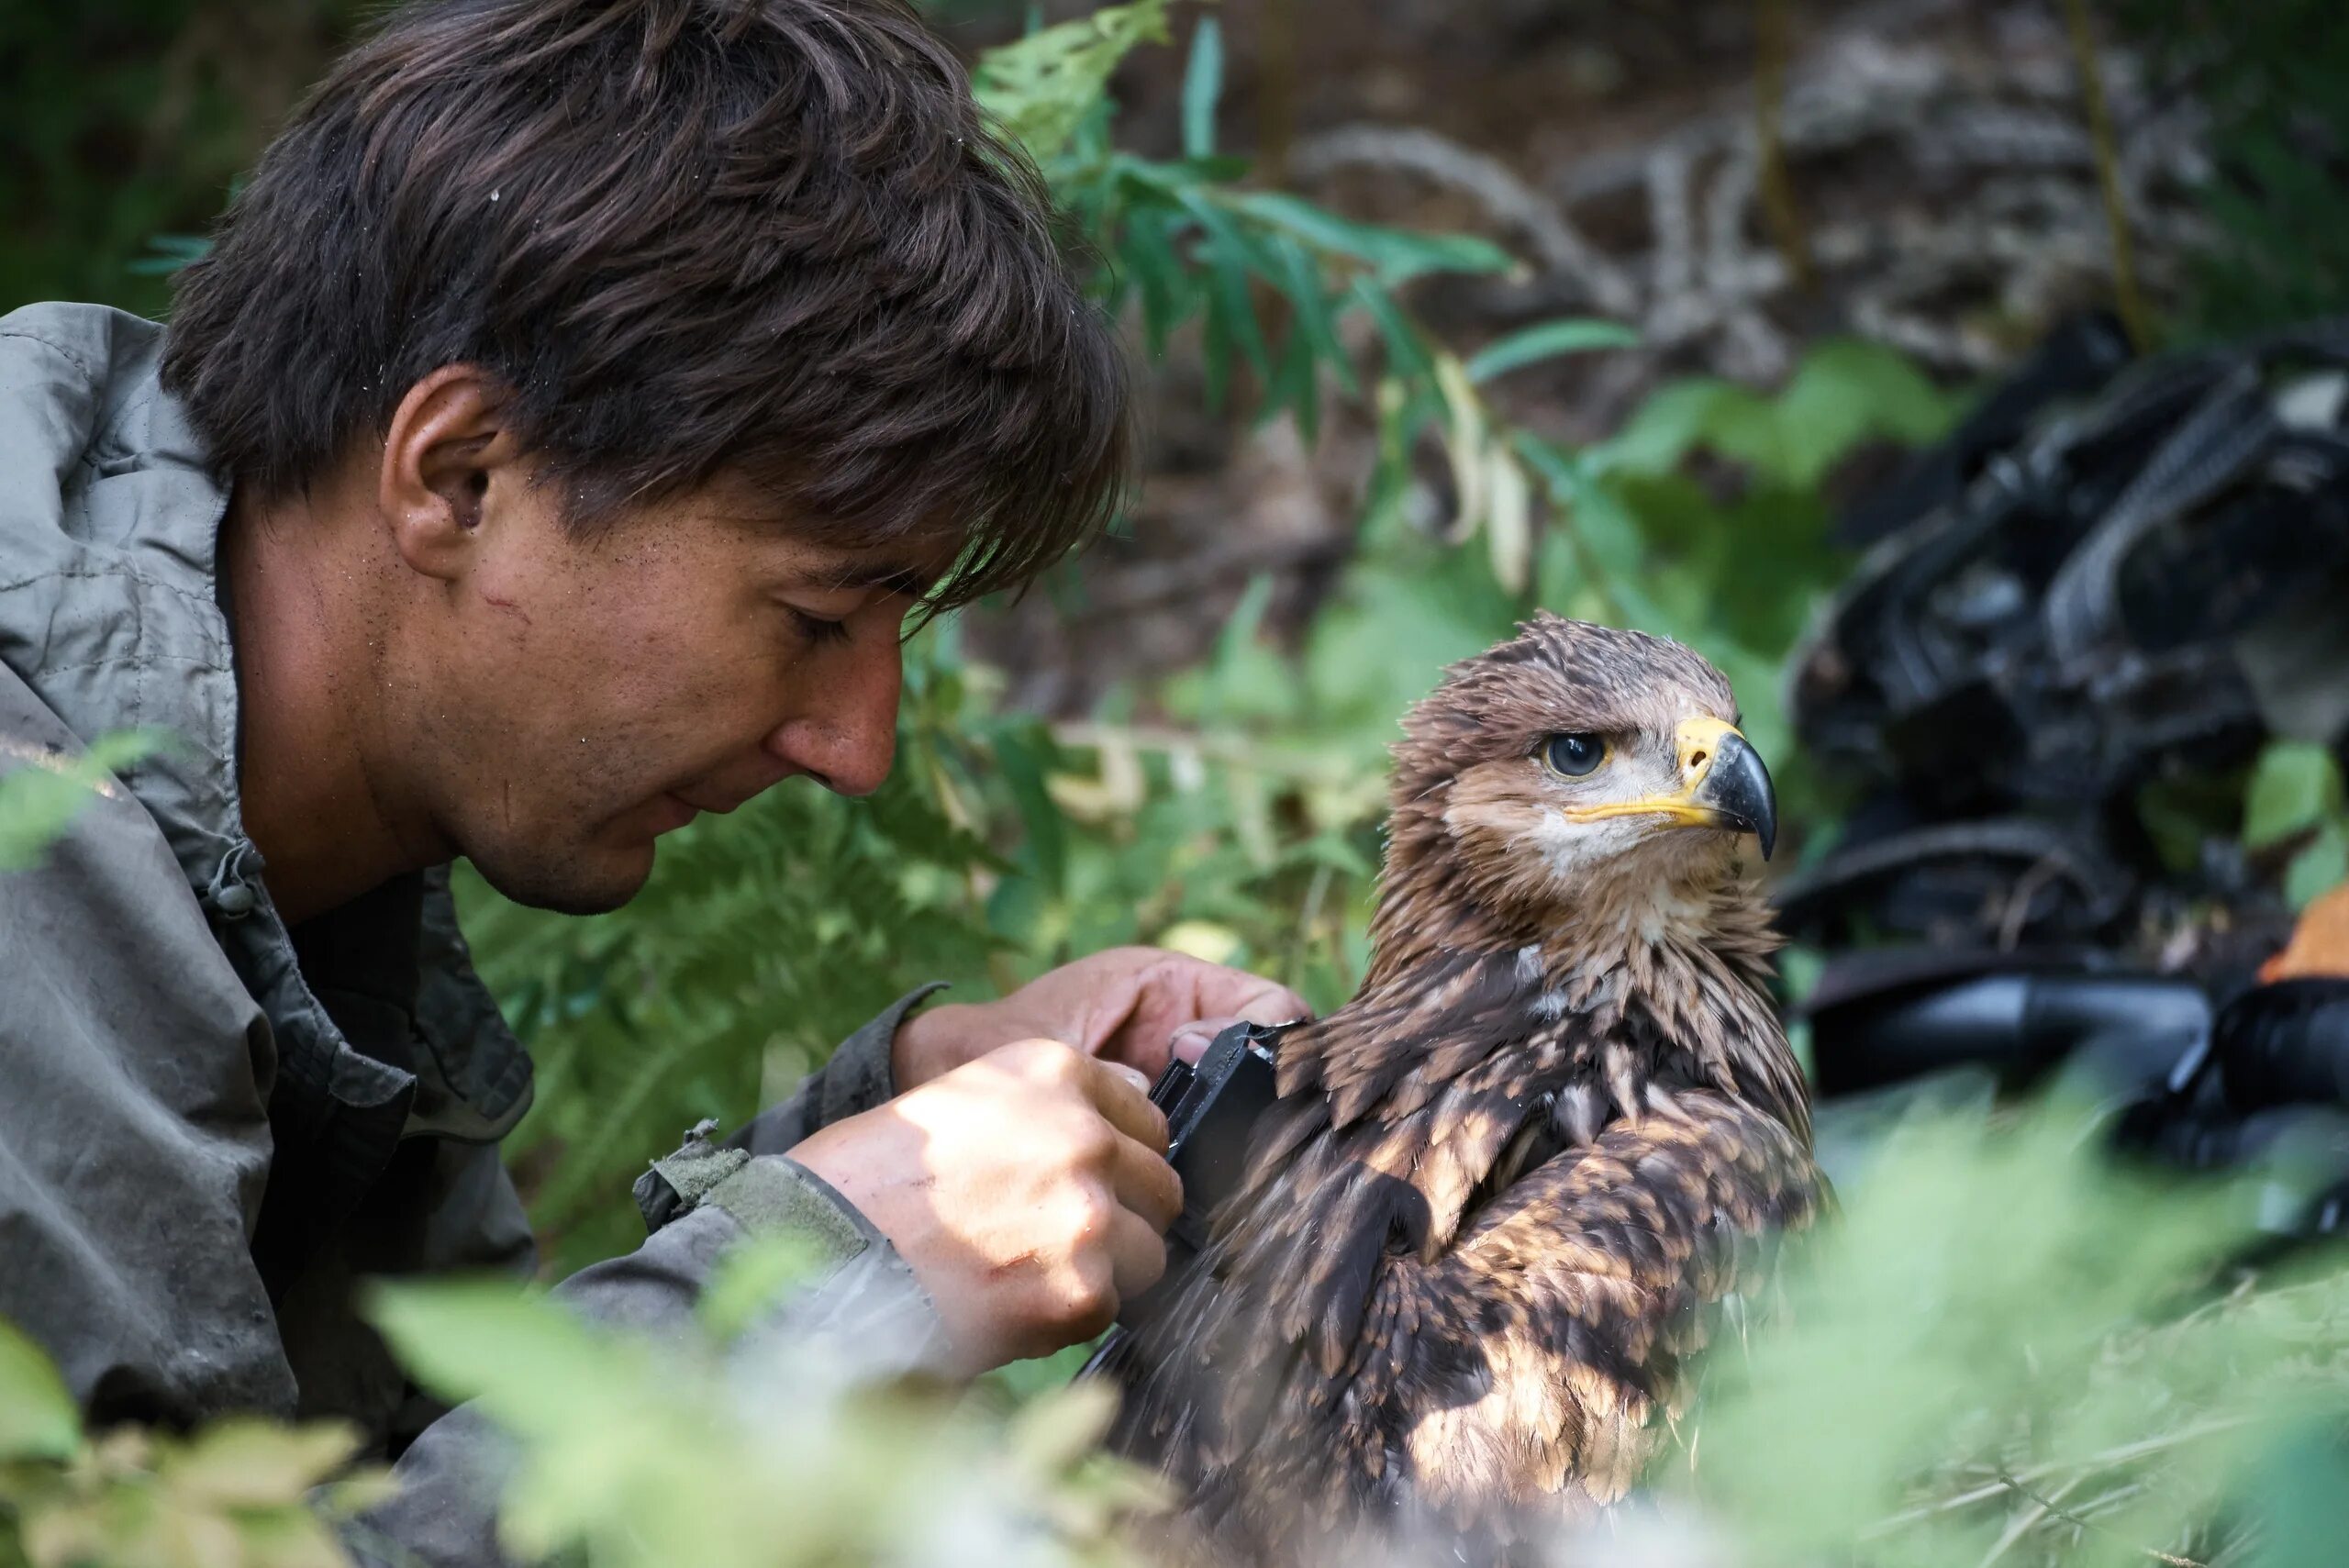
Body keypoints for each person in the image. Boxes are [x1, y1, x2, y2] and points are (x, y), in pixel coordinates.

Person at [0, 0, 1306, 1560]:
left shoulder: (276, 807)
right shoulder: (33, 850)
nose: (856, 749)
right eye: (814, 617)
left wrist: (883, 1127)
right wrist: (834, 1283)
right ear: (460, 473)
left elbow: (363, 1479)